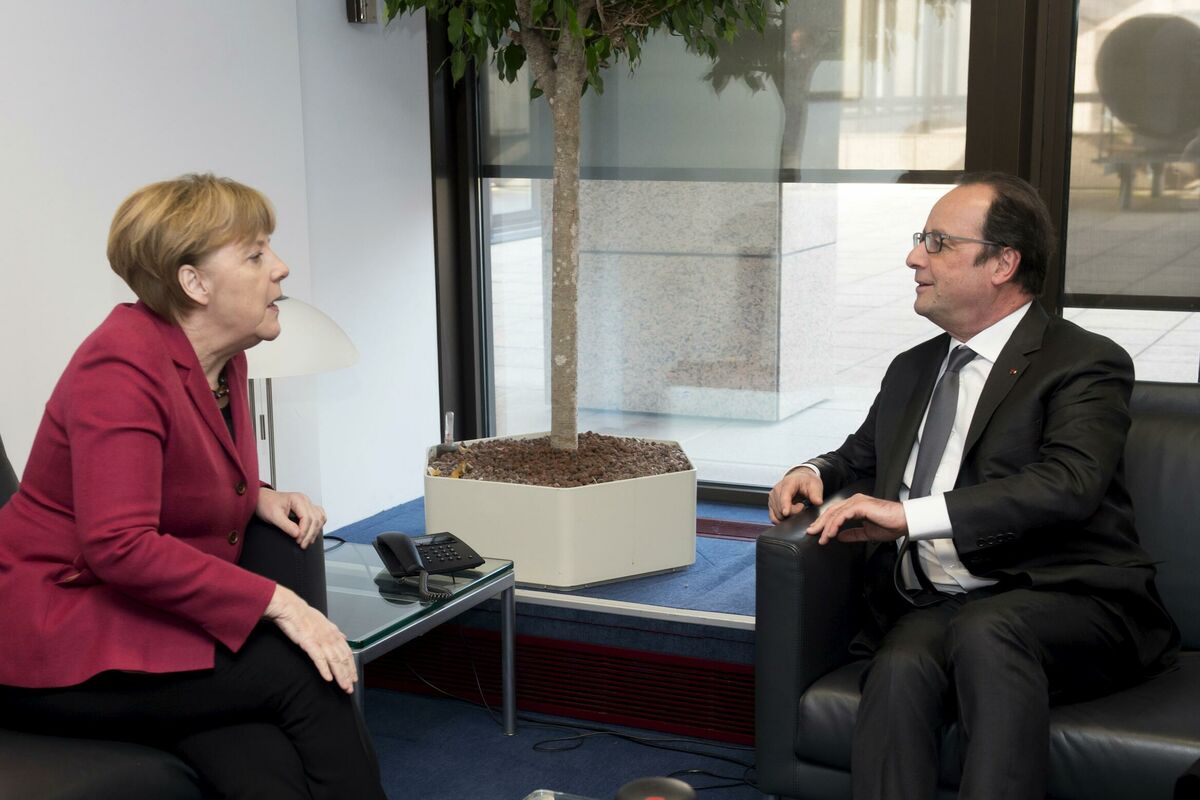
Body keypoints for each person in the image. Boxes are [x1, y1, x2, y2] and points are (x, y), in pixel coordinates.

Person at [767, 172, 1179, 800]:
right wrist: (815, 471)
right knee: (899, 666)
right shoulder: (913, 369)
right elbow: (858, 456)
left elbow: (1069, 483)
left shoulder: (1083, 362)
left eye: (937, 242)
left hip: (1064, 597)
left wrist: (909, 517)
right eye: (920, 239)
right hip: (943, 604)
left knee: (988, 630)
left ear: (1002, 263)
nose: (914, 257)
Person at [0, 174, 387, 799]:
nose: (281, 267)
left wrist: (254, 492)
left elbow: (176, 464)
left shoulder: (223, 357)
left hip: (132, 616)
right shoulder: (119, 365)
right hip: (48, 636)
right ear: (194, 283)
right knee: (305, 673)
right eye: (256, 254)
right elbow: (119, 544)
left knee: (262, 761)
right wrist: (282, 603)